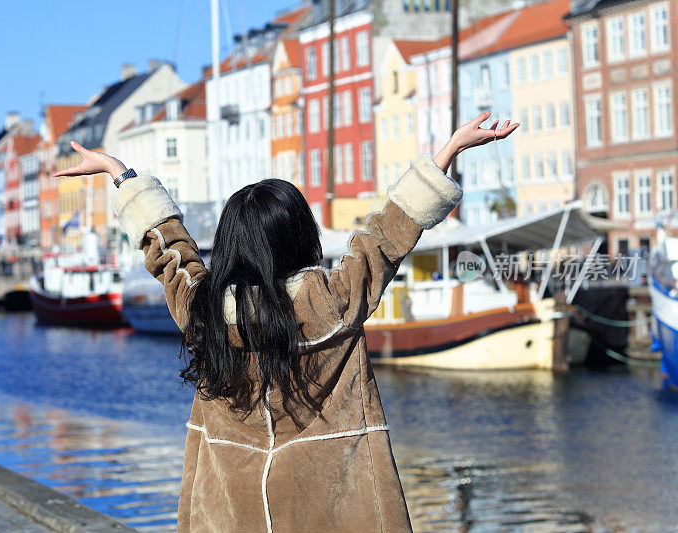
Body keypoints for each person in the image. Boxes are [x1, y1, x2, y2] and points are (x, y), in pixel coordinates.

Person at [55, 110, 518, 532]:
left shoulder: (205, 316)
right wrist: (447, 152)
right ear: (303, 237)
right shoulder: (332, 304)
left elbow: (171, 255)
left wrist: (122, 175)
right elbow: (385, 236)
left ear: (231, 242)